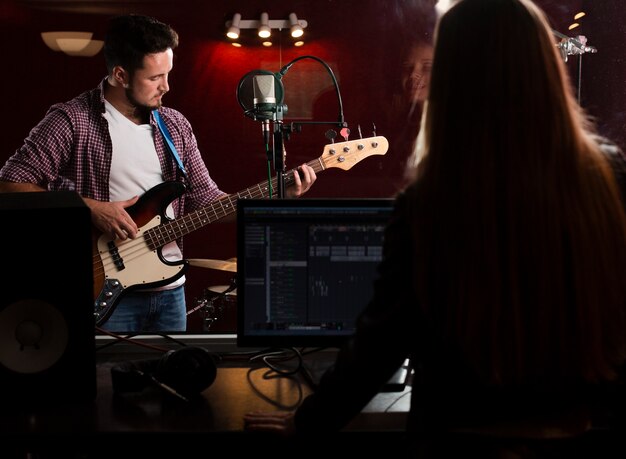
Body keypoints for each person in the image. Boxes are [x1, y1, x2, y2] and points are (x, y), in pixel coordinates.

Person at [244, 0, 626, 455]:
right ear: (544, 65)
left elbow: (381, 341)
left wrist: (308, 425)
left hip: (453, 436)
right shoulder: (607, 176)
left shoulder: (433, 200)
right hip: (577, 431)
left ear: (454, 79)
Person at [0, 14, 316, 333]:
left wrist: (276, 196)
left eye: (168, 74)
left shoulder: (175, 125)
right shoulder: (72, 120)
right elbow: (9, 186)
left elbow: (208, 201)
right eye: (155, 78)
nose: (166, 86)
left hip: (170, 294)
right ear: (120, 75)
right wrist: (91, 209)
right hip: (108, 293)